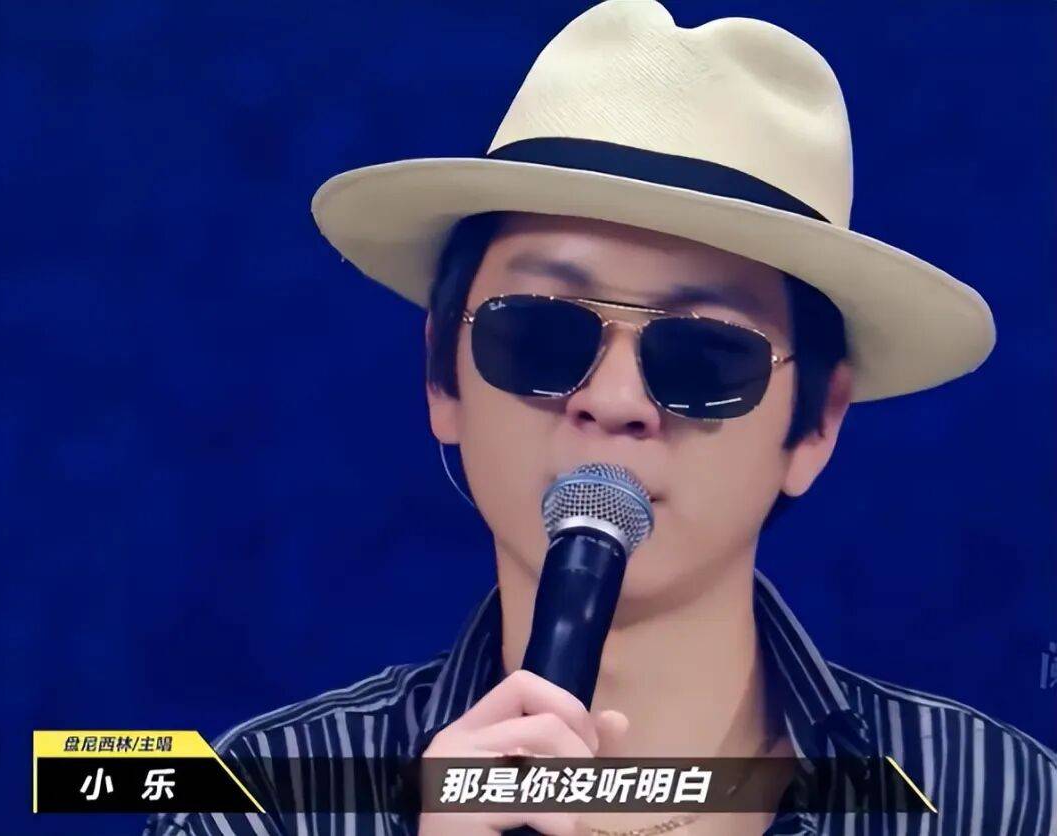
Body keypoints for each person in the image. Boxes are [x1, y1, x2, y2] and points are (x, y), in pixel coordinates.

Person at [143, 2, 1056, 834]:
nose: (614, 401)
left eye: (704, 356)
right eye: (540, 334)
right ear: (442, 377)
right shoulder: (261, 803)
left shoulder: (1000, 804)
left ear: (816, 423)